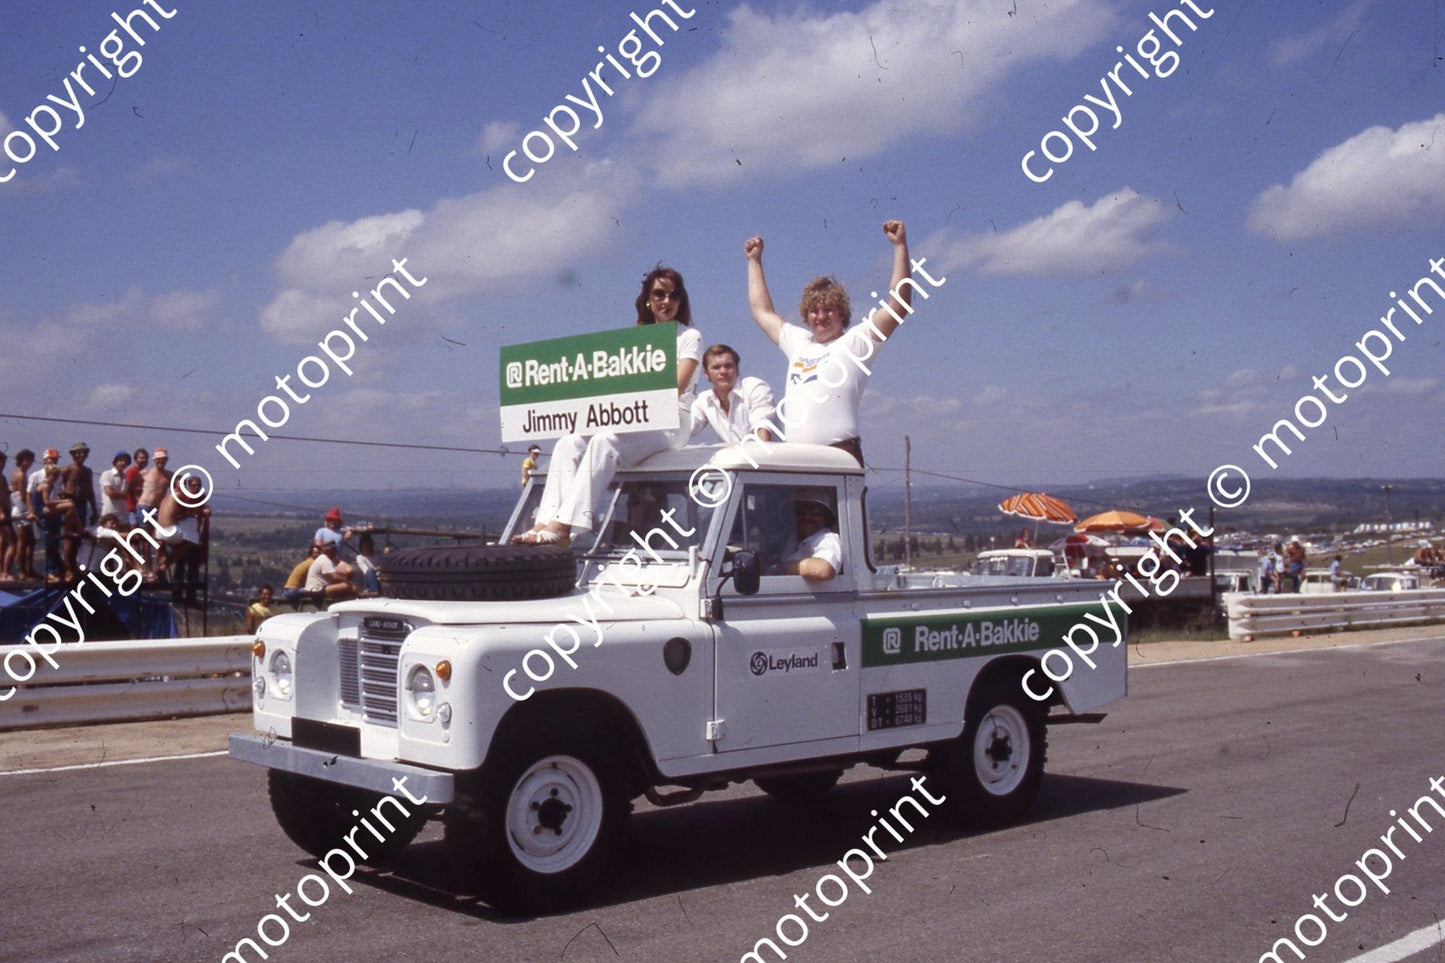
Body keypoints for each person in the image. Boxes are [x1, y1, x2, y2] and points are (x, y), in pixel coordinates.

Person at [514, 265, 703, 547]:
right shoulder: (634, 341)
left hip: (671, 421)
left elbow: (676, 387)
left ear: (681, 300)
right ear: (648, 300)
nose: (667, 301)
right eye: (659, 294)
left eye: (673, 295)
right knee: (569, 443)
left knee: (604, 441)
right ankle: (545, 520)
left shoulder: (689, 337)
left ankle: (564, 526)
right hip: (636, 419)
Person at [743, 220, 918, 465]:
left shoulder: (856, 342)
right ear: (806, 315)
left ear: (842, 313)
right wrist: (754, 262)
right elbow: (761, 311)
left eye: (829, 309)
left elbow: (898, 305)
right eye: (814, 311)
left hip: (840, 458)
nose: (821, 316)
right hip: (796, 459)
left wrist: (900, 246)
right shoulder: (797, 342)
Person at [689, 344, 776, 445]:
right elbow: (686, 429)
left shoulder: (755, 387)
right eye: (716, 367)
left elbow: (763, 426)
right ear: (706, 374)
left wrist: (761, 457)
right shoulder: (703, 400)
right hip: (738, 459)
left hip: (774, 458)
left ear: (737, 369)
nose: (723, 371)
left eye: (728, 366)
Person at [154, 472, 211, 601]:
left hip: (194, 532)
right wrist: (198, 513)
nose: (195, 488)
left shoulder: (200, 497)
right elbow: (181, 512)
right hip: (183, 532)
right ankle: (177, 593)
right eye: (193, 485)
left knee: (193, 566)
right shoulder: (183, 497)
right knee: (180, 563)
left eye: (198, 485)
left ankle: (191, 595)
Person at [770, 490, 842, 581]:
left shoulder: (827, 538)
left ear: (825, 517)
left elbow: (823, 570)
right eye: (800, 511)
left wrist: (785, 567)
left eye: (815, 512)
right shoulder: (793, 539)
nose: (807, 516)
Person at [59, 442, 98, 583]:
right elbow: (58, 483)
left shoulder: (87, 471)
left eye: (84, 453)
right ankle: (68, 569)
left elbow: (90, 491)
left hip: (82, 505)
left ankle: (74, 567)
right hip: (70, 504)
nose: (82, 455)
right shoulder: (68, 469)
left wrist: (94, 509)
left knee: (78, 538)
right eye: (79, 453)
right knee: (69, 538)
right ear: (73, 454)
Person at [10, 449, 36, 580]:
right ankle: (22, 572)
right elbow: (23, 496)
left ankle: (29, 569)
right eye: (26, 460)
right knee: (22, 542)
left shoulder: (19, 474)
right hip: (21, 510)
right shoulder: (21, 475)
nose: (29, 463)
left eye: (30, 460)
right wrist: (31, 511)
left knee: (30, 541)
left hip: (22, 509)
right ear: (20, 461)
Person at [137, 447, 172, 523]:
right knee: (144, 532)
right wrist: (137, 500)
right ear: (154, 460)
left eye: (163, 459)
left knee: (157, 533)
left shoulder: (170, 475)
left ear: (166, 460)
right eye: (158, 459)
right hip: (144, 506)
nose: (161, 461)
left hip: (158, 508)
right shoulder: (145, 473)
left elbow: (176, 490)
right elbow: (133, 488)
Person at [99, 451, 131, 522]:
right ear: (116, 461)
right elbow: (110, 493)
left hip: (122, 513)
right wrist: (125, 496)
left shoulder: (125, 477)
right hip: (110, 513)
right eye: (121, 460)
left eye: (126, 461)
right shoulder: (107, 474)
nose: (123, 463)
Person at [124, 448, 149, 525]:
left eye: (145, 458)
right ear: (135, 459)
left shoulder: (146, 473)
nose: (143, 460)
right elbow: (129, 488)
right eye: (141, 458)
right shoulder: (131, 472)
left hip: (143, 508)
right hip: (132, 508)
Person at [0, 451, 12, 581]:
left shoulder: (2, 477)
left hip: (6, 510)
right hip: (1, 513)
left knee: (3, 543)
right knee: (12, 543)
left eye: (3, 461)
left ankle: (3, 571)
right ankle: (4, 572)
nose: (2, 464)